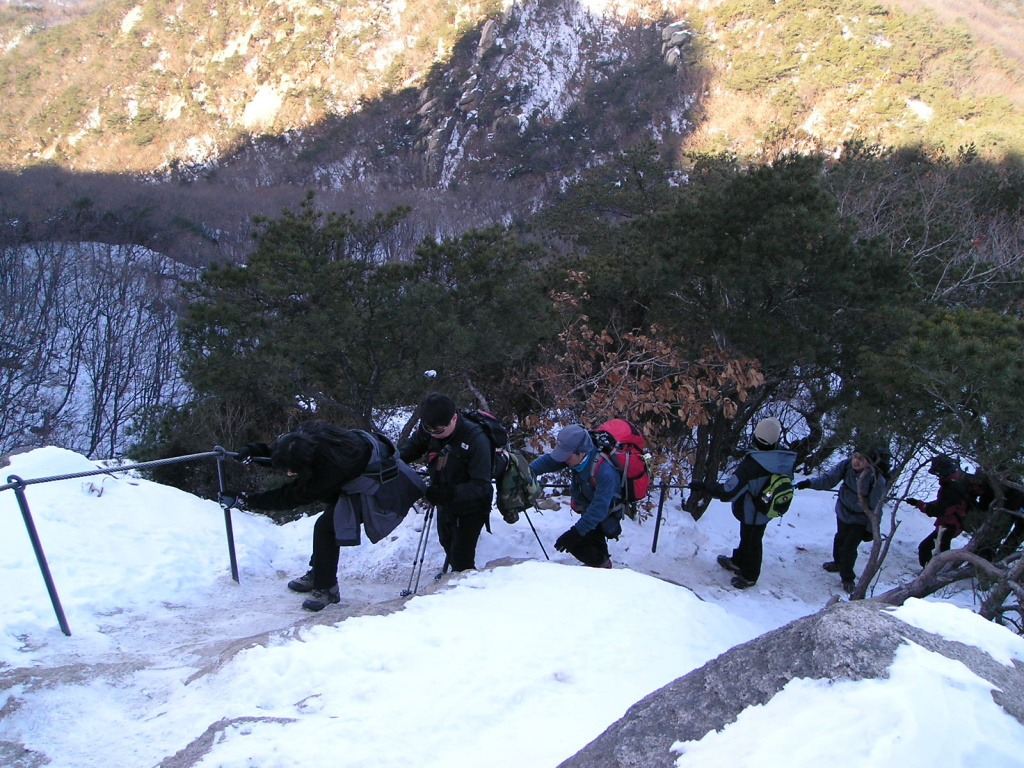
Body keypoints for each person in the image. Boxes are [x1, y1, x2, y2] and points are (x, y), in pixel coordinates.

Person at [225, 421, 373, 612]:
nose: (288, 473)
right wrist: (253, 451)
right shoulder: (302, 438)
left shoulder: (332, 467)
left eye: (293, 471)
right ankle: (319, 573)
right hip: (350, 474)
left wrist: (245, 501)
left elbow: (291, 496)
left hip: (374, 485)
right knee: (325, 525)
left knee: (326, 526)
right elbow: (284, 455)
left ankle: (327, 588)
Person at [689, 417, 796, 589]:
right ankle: (738, 561)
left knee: (753, 541)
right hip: (766, 507)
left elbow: (727, 492)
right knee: (749, 537)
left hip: (752, 512)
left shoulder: (752, 466)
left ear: (755, 438)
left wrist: (703, 486)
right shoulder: (782, 459)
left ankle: (750, 575)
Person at [399, 392, 493, 572]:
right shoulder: (429, 427)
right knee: (446, 542)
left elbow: (482, 485)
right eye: (430, 430)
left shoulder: (476, 440)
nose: (434, 434)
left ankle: (465, 588)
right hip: (444, 501)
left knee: (461, 557)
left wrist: (449, 493)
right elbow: (413, 448)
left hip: (472, 506)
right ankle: (453, 583)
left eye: (440, 430)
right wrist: (394, 460)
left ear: (454, 418)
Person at [529, 424, 623, 568]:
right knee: (591, 537)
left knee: (579, 543)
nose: (563, 459)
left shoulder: (604, 471)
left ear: (581, 453)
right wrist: (528, 472)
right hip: (589, 506)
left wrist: (575, 533)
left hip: (606, 511)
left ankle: (602, 565)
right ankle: (600, 564)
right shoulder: (577, 458)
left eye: (566, 456)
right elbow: (549, 461)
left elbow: (598, 510)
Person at [796, 446, 887, 593]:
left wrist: (870, 530)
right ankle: (838, 563)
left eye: (861, 459)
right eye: (855, 456)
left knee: (849, 548)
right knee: (840, 539)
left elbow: (876, 508)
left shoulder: (876, 480)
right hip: (843, 511)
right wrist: (809, 483)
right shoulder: (845, 466)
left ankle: (848, 578)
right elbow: (828, 480)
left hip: (860, 519)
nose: (856, 461)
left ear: (869, 462)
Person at [906, 454, 971, 567]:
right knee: (943, 550)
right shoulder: (955, 483)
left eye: (938, 474)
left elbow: (938, 510)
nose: (937, 477)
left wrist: (919, 504)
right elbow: (943, 504)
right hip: (953, 524)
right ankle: (938, 570)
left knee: (925, 548)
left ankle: (928, 573)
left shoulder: (951, 489)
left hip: (950, 526)